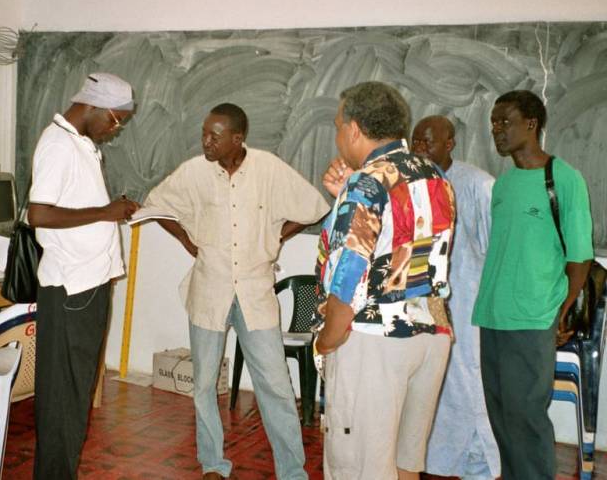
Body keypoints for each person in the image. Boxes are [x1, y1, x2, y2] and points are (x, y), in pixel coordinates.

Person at [145, 103, 329, 480]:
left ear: (237, 138)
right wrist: (186, 241)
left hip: (255, 292)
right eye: (204, 133)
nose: (205, 141)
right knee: (204, 385)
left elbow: (316, 207)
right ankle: (213, 464)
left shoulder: (268, 168)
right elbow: (156, 205)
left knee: (276, 386)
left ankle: (292, 472)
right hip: (209, 290)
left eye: (214, 135)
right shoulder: (194, 172)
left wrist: (276, 235)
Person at [314, 82, 455, 480]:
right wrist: (344, 195)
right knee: (403, 464)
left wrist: (327, 338)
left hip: (374, 340)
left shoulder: (366, 184)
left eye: (339, 124)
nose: (339, 133)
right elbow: (403, 243)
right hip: (431, 334)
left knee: (360, 467)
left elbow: (349, 276)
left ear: (354, 129)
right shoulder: (436, 175)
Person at [472, 90, 593, 480]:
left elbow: (580, 257)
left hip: (532, 314)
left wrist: (562, 310)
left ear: (531, 124)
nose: (497, 130)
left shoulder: (564, 179)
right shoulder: (504, 186)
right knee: (500, 413)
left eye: (504, 121)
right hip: (492, 312)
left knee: (526, 414)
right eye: (493, 123)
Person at [27, 72, 140, 479]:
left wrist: (112, 208)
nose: (116, 128)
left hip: (90, 284)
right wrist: (106, 213)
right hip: (71, 288)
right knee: (63, 395)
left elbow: (74, 207)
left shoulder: (81, 144)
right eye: (114, 118)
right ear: (91, 106)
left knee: (75, 395)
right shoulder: (58, 145)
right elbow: (38, 214)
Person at [411, 115, 500, 479]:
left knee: (468, 387)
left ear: (449, 144)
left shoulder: (478, 185)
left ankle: (481, 468)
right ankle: (438, 465)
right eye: (415, 141)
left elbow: (497, 251)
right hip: (423, 308)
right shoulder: (411, 183)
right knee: (433, 391)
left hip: (467, 307)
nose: (419, 149)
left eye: (427, 142)